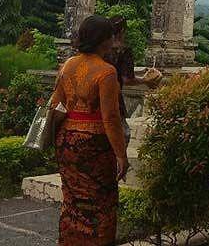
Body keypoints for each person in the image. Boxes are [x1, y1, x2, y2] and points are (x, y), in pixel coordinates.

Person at [51, 15, 128, 246]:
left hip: (67, 140)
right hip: (93, 144)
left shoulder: (68, 65)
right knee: (100, 202)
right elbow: (111, 118)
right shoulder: (106, 72)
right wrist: (121, 155)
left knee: (72, 200)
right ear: (104, 40)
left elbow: (56, 103)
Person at [107, 16, 162, 144]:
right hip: (113, 97)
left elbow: (115, 70)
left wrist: (139, 71)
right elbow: (126, 79)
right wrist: (145, 80)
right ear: (122, 31)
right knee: (121, 135)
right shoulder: (123, 50)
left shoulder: (101, 49)